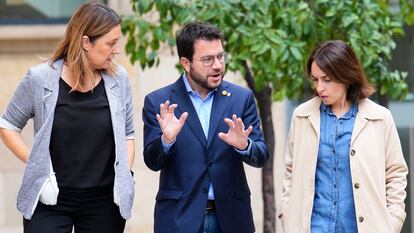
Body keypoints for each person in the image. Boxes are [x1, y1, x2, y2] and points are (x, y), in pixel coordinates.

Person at [0, 2, 135, 233]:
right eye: (110, 43)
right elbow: (7, 126)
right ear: (85, 42)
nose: (116, 50)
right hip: (50, 199)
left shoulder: (118, 79)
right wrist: (38, 164)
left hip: (103, 201)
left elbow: (128, 134)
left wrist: (124, 174)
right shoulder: (40, 79)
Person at [142, 21, 269, 233]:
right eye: (207, 60)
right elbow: (152, 162)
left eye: (220, 56)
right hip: (179, 220)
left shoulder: (241, 98)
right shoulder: (159, 102)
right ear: (186, 62)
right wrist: (167, 141)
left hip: (231, 219)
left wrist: (244, 145)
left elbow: (261, 155)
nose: (218, 65)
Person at [279, 40, 408, 233]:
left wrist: (393, 220)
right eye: (315, 79)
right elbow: (290, 173)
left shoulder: (380, 118)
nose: (319, 87)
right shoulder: (301, 116)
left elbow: (396, 173)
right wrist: (287, 213)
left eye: (327, 79)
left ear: (346, 76)